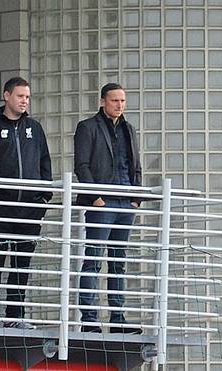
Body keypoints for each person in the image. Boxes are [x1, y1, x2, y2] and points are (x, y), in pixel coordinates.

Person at [0, 77, 52, 329]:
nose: (24, 101)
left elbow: (45, 165)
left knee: (22, 266)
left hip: (30, 210)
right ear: (6, 96)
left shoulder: (35, 128)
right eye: (20, 96)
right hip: (0, 209)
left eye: (27, 97)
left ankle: (14, 316)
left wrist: (42, 201)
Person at [73, 82, 142, 333]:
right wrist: (96, 197)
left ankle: (118, 318)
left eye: (122, 101)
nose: (119, 105)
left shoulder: (129, 129)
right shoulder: (87, 127)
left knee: (118, 261)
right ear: (102, 101)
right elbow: (82, 165)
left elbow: (135, 164)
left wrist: (136, 198)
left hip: (126, 201)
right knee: (93, 259)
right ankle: (89, 320)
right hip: (103, 202)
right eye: (115, 100)